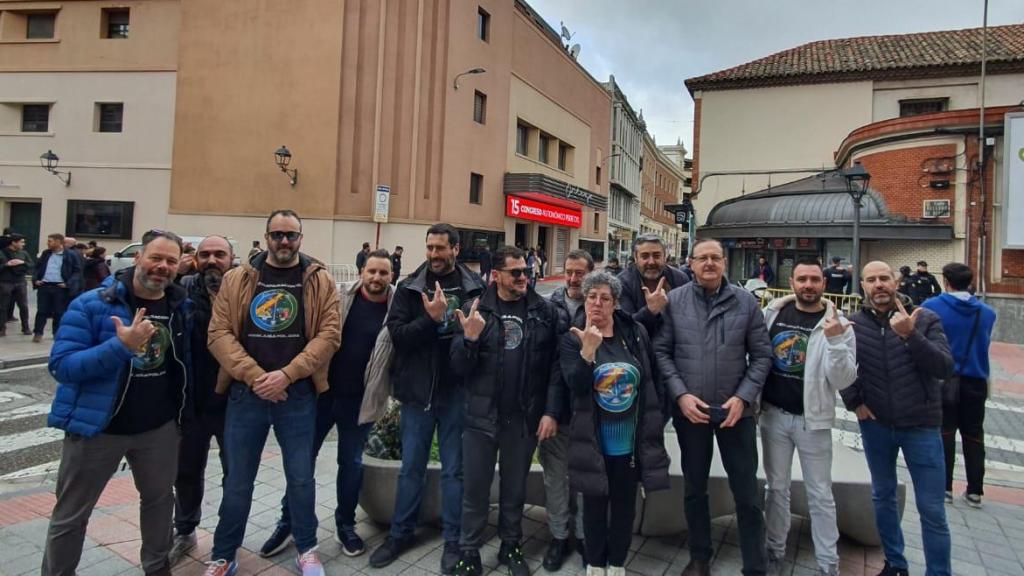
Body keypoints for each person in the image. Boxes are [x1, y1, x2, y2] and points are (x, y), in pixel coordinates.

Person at [42, 230, 190, 576]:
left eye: (171, 261)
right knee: (71, 515)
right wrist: (120, 347)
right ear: (138, 257)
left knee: (158, 504)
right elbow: (62, 366)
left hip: (158, 430)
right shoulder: (92, 304)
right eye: (156, 257)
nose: (162, 267)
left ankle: (157, 568)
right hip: (97, 430)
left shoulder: (180, 307)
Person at [204, 210, 341, 576]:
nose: (284, 242)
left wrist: (286, 375)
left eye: (291, 235)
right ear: (266, 236)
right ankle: (223, 555)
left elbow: (330, 335)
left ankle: (307, 547)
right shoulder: (238, 278)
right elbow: (218, 334)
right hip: (246, 395)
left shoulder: (319, 280)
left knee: (300, 477)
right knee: (238, 480)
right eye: (277, 234)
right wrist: (255, 377)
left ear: (301, 237)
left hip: (296, 395)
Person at [261, 249, 395, 558]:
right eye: (371, 271)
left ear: (392, 276)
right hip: (320, 394)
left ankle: (345, 525)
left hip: (361, 401)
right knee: (302, 461)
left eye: (383, 273)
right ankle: (289, 521)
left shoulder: (397, 307)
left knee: (351, 464)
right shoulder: (338, 295)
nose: (376, 278)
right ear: (361, 271)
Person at [368, 223, 486, 575]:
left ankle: (453, 540)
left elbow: (480, 341)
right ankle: (400, 534)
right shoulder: (409, 288)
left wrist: (469, 338)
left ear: (456, 249)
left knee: (454, 472)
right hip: (417, 394)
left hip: (455, 394)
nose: (434, 254)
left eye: (440, 248)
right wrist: (431, 321)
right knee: (411, 470)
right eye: (430, 247)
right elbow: (398, 336)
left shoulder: (474, 288)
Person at [654, 238, 771, 576]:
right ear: (689, 263)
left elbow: (762, 355)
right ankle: (700, 556)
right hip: (692, 412)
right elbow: (662, 353)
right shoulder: (674, 302)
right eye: (702, 258)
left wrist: (743, 397)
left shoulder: (746, 303)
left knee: (747, 494)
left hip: (737, 413)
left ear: (724, 263)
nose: (709, 263)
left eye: (715, 258)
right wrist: (680, 395)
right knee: (694, 489)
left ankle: (755, 564)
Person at [449, 245, 561, 576]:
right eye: (516, 272)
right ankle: (469, 551)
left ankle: (510, 546)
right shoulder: (474, 310)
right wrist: (468, 340)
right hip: (481, 417)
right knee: (475, 490)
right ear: (496, 275)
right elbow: (457, 368)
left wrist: (550, 411)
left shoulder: (543, 311)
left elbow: (555, 367)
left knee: (514, 490)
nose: (524, 277)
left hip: (522, 419)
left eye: (526, 270)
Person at [840, 261, 954, 576]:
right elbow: (843, 367)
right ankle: (895, 563)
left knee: (932, 509)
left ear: (895, 282)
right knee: (883, 496)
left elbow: (944, 368)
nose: (879, 285)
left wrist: (910, 336)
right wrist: (854, 402)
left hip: (921, 426)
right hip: (876, 425)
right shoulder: (855, 324)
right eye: (871, 280)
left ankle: (939, 571)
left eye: (884, 278)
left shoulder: (924, 319)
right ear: (862, 285)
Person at [559, 270, 670, 576]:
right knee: (594, 506)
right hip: (593, 442)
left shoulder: (633, 333)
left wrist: (656, 418)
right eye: (592, 297)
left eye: (605, 298)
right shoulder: (572, 338)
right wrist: (588, 352)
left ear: (615, 304)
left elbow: (651, 379)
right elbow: (576, 386)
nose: (597, 303)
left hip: (629, 444)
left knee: (624, 508)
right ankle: (595, 563)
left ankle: (617, 562)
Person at [761, 258, 857, 576]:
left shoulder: (838, 322)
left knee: (820, 494)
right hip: (773, 416)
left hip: (812, 421)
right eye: (802, 279)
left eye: (814, 279)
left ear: (824, 283)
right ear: (792, 283)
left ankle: (828, 563)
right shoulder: (772, 314)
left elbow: (843, 380)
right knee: (776, 488)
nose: (808, 285)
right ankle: (775, 550)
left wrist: (835, 341)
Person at [168, 236, 234, 565]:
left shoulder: (243, 293)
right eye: (205, 254)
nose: (212, 260)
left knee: (234, 473)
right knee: (187, 471)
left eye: (219, 255)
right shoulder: (180, 292)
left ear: (231, 259)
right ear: (195, 259)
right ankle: (184, 530)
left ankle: (228, 535)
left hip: (233, 403)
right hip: (191, 403)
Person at [921, 263, 997, 508]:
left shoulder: (931, 307)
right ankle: (975, 491)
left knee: (944, 432)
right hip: (976, 379)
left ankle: (944, 487)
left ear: (946, 281)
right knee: (974, 435)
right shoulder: (986, 312)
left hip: (944, 379)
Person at [541, 249, 593, 570]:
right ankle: (559, 537)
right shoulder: (547, 305)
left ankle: (587, 537)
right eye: (569, 272)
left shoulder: (601, 307)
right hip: (554, 407)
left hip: (590, 411)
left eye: (580, 273)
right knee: (555, 479)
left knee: (587, 480)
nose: (574, 279)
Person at [617, 233, 690, 337]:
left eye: (656, 256)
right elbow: (625, 327)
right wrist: (650, 311)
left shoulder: (680, 279)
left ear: (665, 257)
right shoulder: (622, 283)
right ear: (636, 258)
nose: (651, 262)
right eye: (645, 256)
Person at [32, 233, 83, 343]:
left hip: (60, 287)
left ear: (59, 242)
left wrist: (68, 283)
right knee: (42, 311)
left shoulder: (70, 255)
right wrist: (36, 279)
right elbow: (37, 267)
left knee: (59, 311)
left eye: (50, 241)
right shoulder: (46, 254)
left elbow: (77, 271)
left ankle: (57, 333)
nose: (48, 243)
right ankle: (38, 333)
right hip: (44, 285)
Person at [0, 233, 32, 336]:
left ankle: (26, 327)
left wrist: (22, 262)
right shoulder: (2, 253)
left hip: (20, 282)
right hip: (5, 282)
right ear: (13, 242)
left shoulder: (24, 253)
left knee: (23, 305)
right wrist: (6, 265)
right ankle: (2, 328)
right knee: (3, 306)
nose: (23, 244)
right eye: (21, 242)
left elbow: (31, 264)